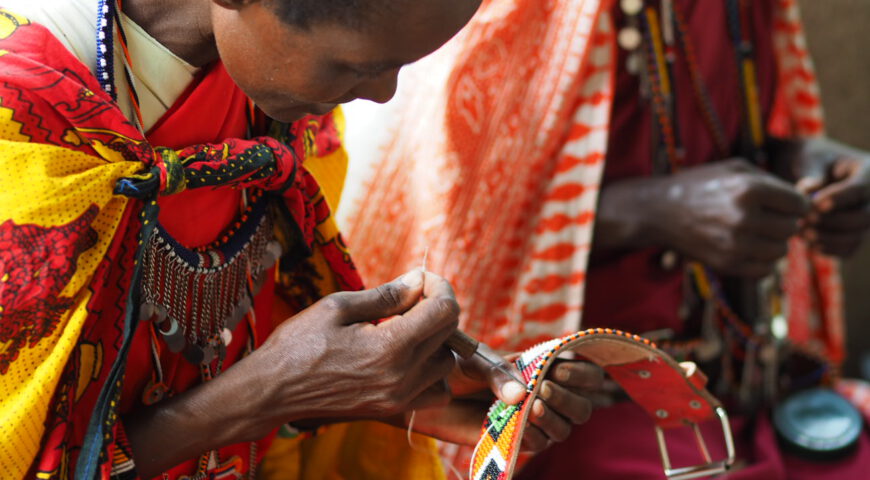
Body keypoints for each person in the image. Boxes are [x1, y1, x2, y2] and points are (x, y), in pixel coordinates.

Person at [0, 1, 598, 478]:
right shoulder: (21, 130)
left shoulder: (282, 111)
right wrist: (268, 393)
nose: (384, 95)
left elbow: (238, 338)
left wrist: (384, 389)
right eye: (356, 66)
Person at [341, 0, 870, 477]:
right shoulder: (519, 13)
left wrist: (796, 162)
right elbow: (460, 222)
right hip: (583, 408)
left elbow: (720, 121)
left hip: (743, 376)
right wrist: (649, 211)